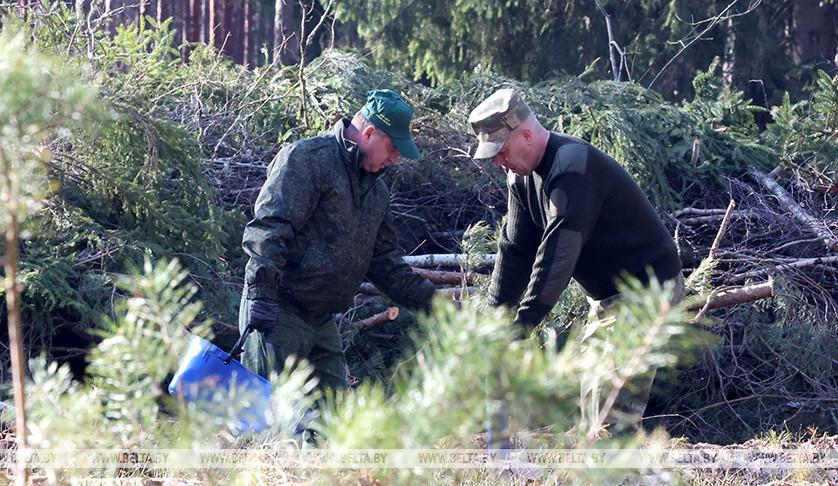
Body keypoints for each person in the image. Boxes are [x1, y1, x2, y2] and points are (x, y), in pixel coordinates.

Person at [468, 88, 685, 426]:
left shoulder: (571, 168)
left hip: (649, 292)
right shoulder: (520, 178)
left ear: (526, 134)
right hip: (608, 301)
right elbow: (515, 251)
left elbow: (558, 256)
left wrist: (522, 327)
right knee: (591, 405)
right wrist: (492, 323)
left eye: (502, 151)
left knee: (610, 411)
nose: (499, 162)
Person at [239, 89, 435, 392]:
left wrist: (437, 306)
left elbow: (386, 263)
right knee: (267, 415)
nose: (395, 159)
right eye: (393, 149)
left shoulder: (376, 192)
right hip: (278, 312)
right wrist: (262, 294)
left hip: (322, 322)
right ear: (369, 133)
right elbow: (270, 227)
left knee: (331, 416)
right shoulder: (307, 159)